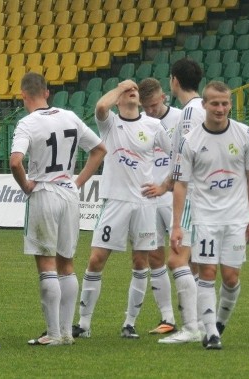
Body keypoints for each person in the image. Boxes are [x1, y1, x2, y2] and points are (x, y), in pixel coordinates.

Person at [10, 72, 106, 346]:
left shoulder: (27, 123)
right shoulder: (70, 117)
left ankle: (52, 334)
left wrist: (26, 185)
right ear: (47, 92)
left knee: (47, 264)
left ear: (23, 96)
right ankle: (66, 333)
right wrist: (77, 182)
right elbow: (99, 150)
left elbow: (16, 161)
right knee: (67, 264)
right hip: (68, 194)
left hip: (44, 193)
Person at [75, 79, 172, 339]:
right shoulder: (110, 124)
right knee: (96, 259)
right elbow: (100, 106)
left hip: (144, 204)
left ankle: (129, 323)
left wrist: (164, 187)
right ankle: (83, 324)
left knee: (141, 262)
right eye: (126, 92)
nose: (131, 92)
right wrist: (121, 86)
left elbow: (178, 156)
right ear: (118, 99)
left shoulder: (153, 126)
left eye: (135, 91)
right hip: (115, 201)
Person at [171, 81, 249, 349]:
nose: (220, 109)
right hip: (205, 218)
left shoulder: (246, 135)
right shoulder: (190, 141)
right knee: (207, 271)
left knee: (231, 277)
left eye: (224, 104)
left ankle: (218, 323)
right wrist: (177, 225)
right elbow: (181, 184)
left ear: (230, 105)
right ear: (204, 105)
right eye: (214, 104)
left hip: (236, 217)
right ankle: (210, 333)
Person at [158, 57, 206, 344]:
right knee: (197, 262)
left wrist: (172, 184)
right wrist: (164, 184)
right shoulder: (205, 109)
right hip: (209, 194)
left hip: (192, 193)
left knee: (177, 259)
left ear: (174, 80)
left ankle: (190, 327)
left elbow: (184, 158)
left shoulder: (188, 113)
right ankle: (200, 322)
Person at [138, 78, 182, 335]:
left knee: (183, 256)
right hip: (148, 196)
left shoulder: (180, 118)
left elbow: (183, 157)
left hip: (173, 194)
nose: (150, 110)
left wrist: (167, 185)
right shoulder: (141, 122)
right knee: (154, 255)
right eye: (146, 107)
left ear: (163, 96)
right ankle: (167, 317)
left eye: (153, 105)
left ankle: (193, 315)